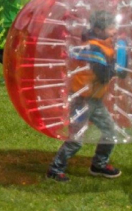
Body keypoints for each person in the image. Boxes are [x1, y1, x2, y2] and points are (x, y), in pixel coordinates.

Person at [46, 10, 124, 182]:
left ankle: (99, 164)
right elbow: (103, 74)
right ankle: (55, 168)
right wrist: (119, 65)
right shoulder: (92, 49)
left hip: (95, 100)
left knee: (110, 132)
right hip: (81, 100)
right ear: (99, 30)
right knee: (77, 139)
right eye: (112, 28)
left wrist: (122, 59)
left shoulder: (107, 45)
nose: (115, 31)